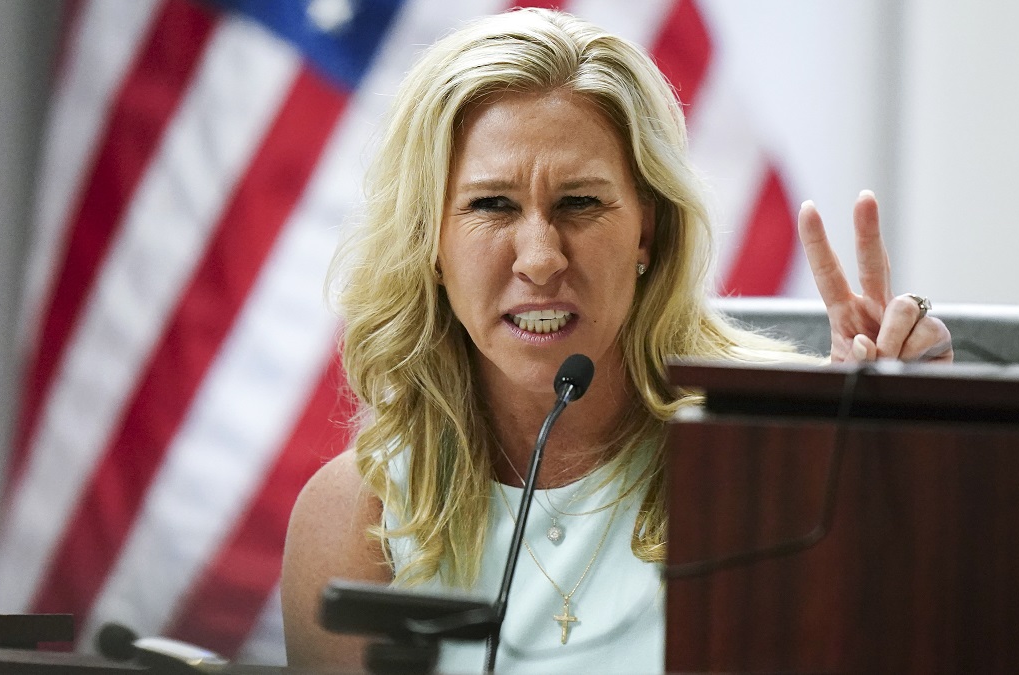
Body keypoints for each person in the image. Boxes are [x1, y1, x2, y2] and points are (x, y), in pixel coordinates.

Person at [280, 7, 952, 673]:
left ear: (646, 231)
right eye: (493, 205)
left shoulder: (772, 464)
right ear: (430, 240)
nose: (540, 258)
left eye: (580, 203)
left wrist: (903, 471)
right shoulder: (354, 518)